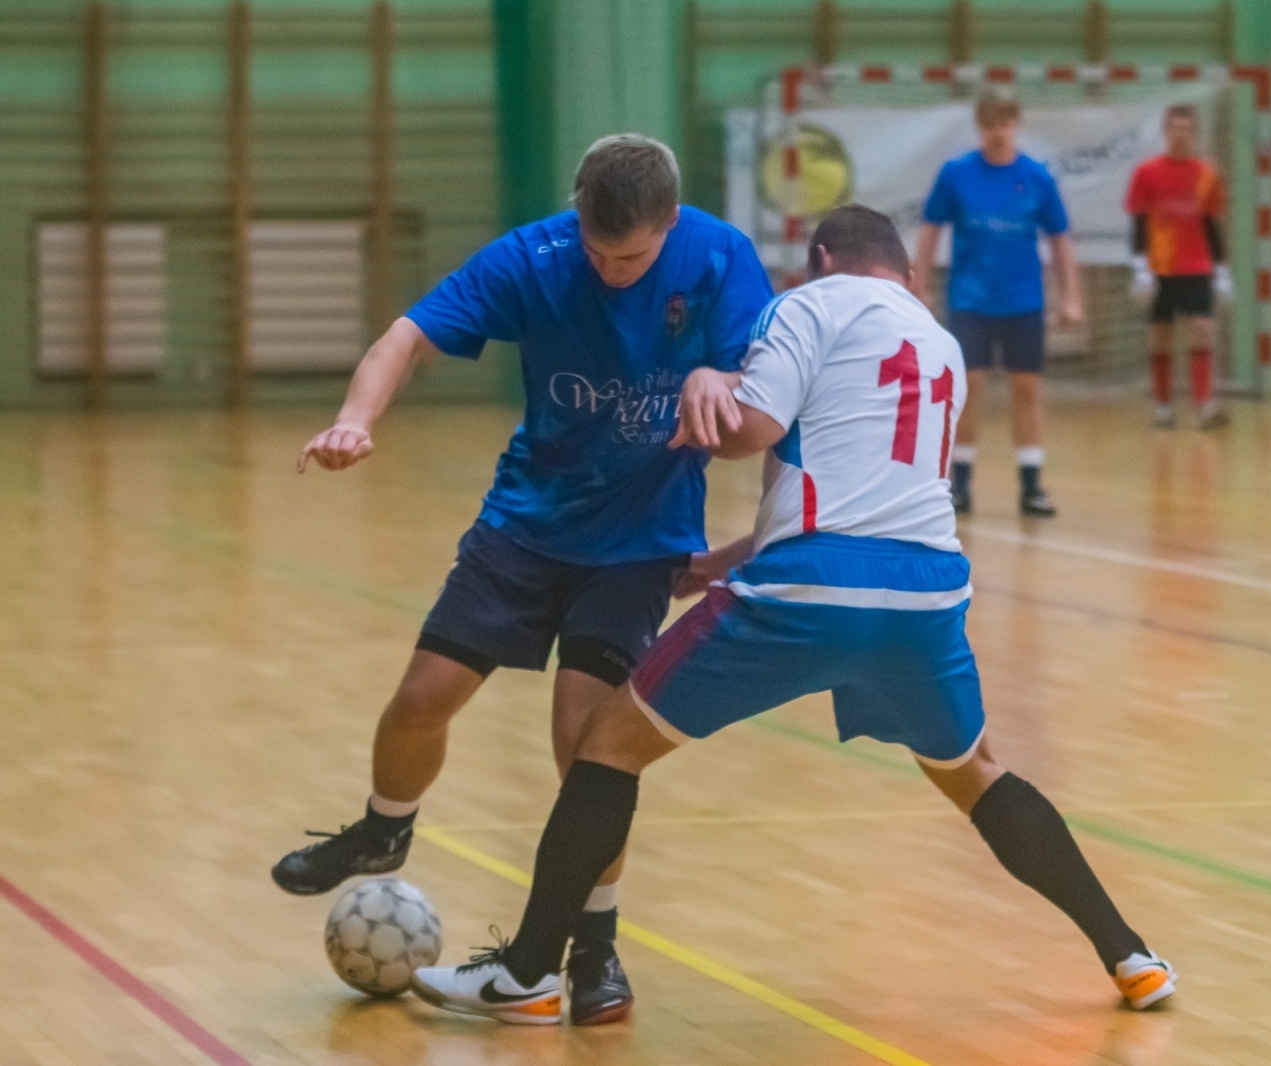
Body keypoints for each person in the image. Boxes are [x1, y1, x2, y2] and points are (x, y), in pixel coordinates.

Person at [408, 204, 1175, 1025]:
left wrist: (710, 382)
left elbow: (752, 432)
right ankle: (1131, 955)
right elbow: (867, 491)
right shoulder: (940, 342)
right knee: (973, 771)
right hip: (925, 592)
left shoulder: (808, 303)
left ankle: (530, 973)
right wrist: (718, 563)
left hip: (807, 592)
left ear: (819, 259)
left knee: (604, 746)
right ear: (907, 273)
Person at [270, 134, 773, 1025]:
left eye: (634, 258)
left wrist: (717, 373)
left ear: (670, 227)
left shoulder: (720, 254)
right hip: (526, 526)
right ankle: (385, 826)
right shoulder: (533, 255)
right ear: (576, 213)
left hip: (638, 543)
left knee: (588, 750)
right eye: (597, 250)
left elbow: (762, 390)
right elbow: (408, 336)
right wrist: (353, 419)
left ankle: (596, 951)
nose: (612, 272)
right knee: (423, 696)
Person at [911, 90, 1083, 518]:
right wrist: (920, 284)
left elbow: (1060, 239)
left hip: (1023, 300)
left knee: (1027, 388)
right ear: (979, 127)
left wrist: (1072, 296)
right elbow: (931, 228)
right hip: (971, 300)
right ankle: (961, 482)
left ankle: (1031, 484)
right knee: (969, 387)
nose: (997, 133)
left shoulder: (1037, 177)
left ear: (1016, 125)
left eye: (1005, 124)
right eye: (989, 125)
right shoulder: (956, 175)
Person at [1125, 103, 1232, 430]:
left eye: (1187, 129)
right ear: (1166, 131)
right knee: (1160, 335)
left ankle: (1204, 406)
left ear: (1194, 133)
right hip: (1161, 266)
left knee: (1203, 329)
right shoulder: (1147, 172)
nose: (1181, 135)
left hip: (1197, 265)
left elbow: (1212, 223)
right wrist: (1141, 267)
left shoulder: (1205, 175)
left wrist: (1223, 269)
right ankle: (1162, 407)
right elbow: (1139, 221)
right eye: (1175, 128)